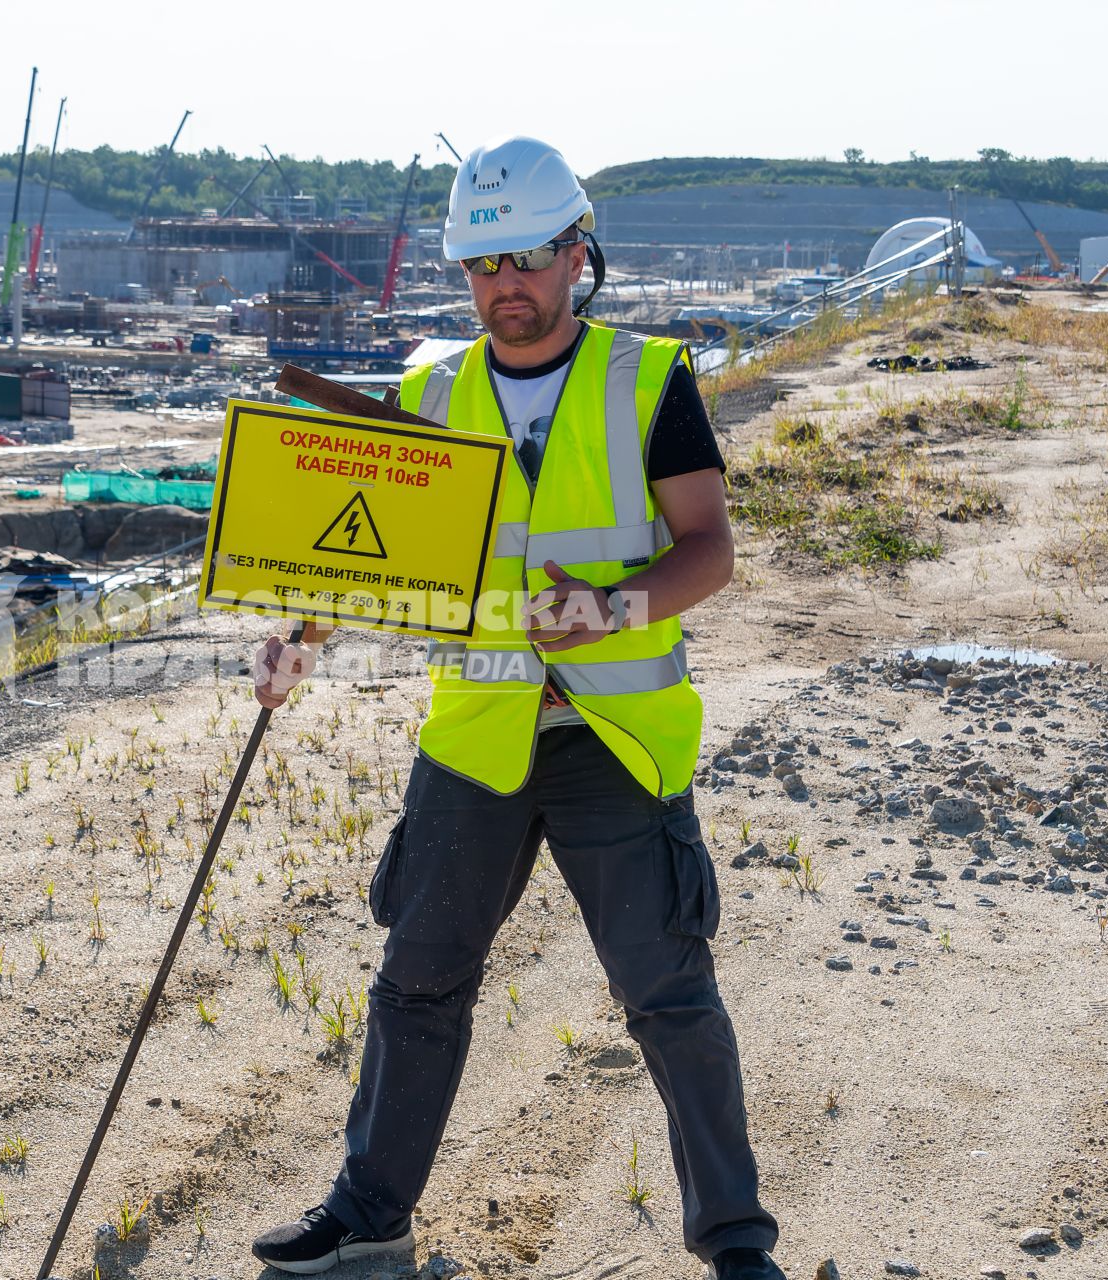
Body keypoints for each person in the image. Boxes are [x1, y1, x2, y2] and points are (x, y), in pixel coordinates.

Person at [249, 136, 783, 1280]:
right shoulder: (430, 389)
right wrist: (296, 640)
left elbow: (710, 549)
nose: (506, 283)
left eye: (528, 256)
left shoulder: (647, 378)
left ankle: (737, 1242)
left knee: (669, 993)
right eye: (482, 261)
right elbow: (366, 556)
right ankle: (369, 1214)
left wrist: (612, 606)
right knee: (418, 982)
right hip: (477, 734)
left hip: (613, 734)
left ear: (577, 252)